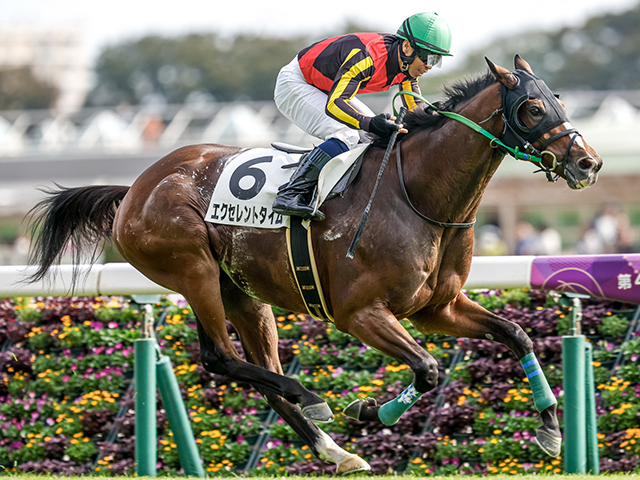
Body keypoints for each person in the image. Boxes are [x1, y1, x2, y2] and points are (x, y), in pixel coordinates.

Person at [272, 12, 453, 220]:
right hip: (296, 83)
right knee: (347, 134)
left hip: (326, 86)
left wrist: (433, 115)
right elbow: (334, 105)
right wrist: (369, 123)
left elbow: (414, 106)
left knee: (371, 138)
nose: (430, 66)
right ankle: (290, 193)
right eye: (429, 57)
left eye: (436, 59)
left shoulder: (406, 64)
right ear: (407, 47)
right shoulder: (368, 57)